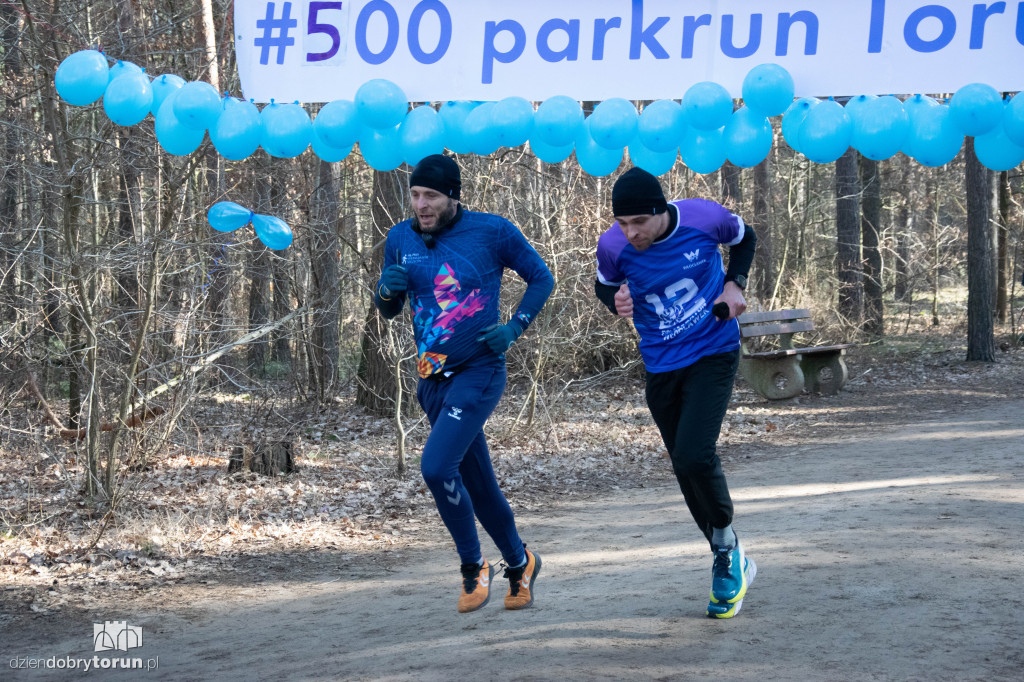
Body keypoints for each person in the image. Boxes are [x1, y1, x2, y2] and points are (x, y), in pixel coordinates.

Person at [374, 154, 553, 613]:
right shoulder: (400, 238)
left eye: (430, 195)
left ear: (453, 195)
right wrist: (386, 292)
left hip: (479, 371)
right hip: (432, 379)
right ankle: (520, 563)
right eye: (415, 195)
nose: (421, 205)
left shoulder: (493, 231)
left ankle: (473, 568)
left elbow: (541, 278)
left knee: (436, 468)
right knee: (477, 482)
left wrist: (515, 327)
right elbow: (389, 310)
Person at [593, 167, 758, 619]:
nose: (631, 233)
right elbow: (604, 285)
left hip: (713, 349)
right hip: (661, 365)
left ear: (659, 212)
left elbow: (747, 237)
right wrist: (617, 302)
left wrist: (734, 283)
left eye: (638, 223)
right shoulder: (613, 246)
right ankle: (729, 554)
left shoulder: (704, 218)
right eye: (622, 224)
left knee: (693, 455)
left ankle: (725, 547)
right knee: (684, 469)